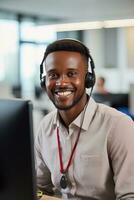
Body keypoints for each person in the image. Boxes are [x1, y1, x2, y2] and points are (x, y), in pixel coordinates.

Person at [35, 38, 134, 200]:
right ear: (43, 81)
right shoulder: (45, 127)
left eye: (71, 73)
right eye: (53, 75)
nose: (61, 82)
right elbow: (39, 189)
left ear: (89, 79)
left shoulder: (118, 125)